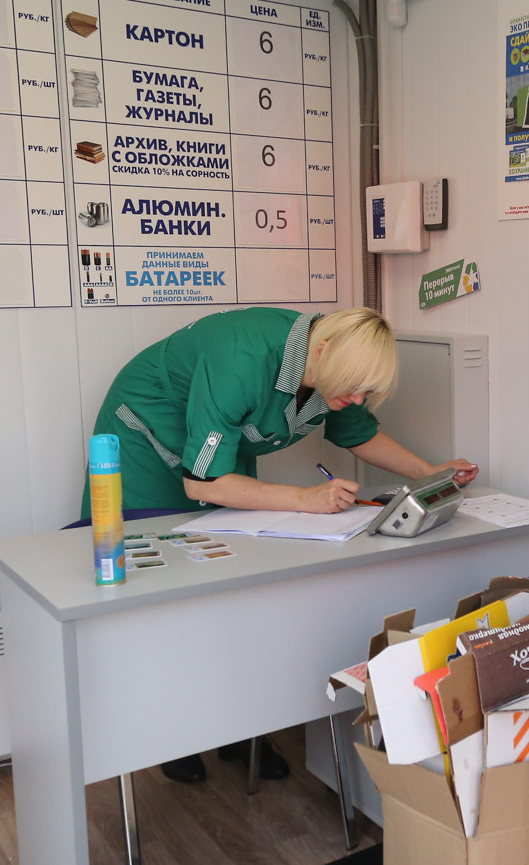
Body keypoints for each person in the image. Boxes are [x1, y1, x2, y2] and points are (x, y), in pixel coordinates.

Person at [82, 306, 478, 783]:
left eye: (366, 391)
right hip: (147, 442)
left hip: (217, 461)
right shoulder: (242, 356)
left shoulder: (334, 370)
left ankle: (238, 729)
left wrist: (432, 473)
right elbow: (202, 483)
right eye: (351, 388)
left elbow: (359, 433)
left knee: (231, 583)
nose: (356, 398)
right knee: (160, 593)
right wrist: (305, 500)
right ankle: (174, 731)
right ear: (322, 352)